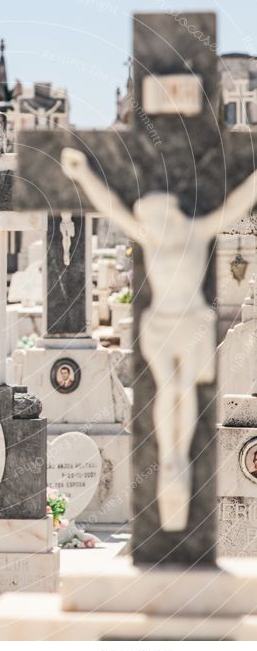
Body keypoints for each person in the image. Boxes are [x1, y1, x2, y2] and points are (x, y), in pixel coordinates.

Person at [62, 146, 257, 532]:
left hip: (191, 323)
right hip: (160, 326)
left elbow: (235, 207)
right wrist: (83, 173)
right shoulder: (151, 237)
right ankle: (171, 459)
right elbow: (112, 207)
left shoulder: (196, 234)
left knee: (182, 386)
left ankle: (177, 461)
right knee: (170, 387)